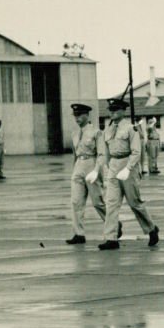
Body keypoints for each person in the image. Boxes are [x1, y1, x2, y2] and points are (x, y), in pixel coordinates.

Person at [97, 97, 160, 250]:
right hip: (114, 166)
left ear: (123, 111)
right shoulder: (108, 130)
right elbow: (106, 151)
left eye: (116, 110)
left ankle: (151, 228)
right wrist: (108, 167)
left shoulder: (131, 129)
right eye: (111, 110)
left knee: (134, 203)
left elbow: (136, 151)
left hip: (128, 166)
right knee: (111, 204)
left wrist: (128, 168)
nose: (112, 113)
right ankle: (111, 238)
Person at [66, 102, 110, 243]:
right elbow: (75, 154)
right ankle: (79, 234)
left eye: (79, 115)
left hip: (91, 164)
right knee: (76, 202)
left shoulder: (96, 132)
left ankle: (113, 225)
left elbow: (101, 154)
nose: (76, 118)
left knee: (98, 202)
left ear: (87, 115)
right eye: (75, 115)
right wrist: (74, 170)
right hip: (79, 165)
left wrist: (97, 170)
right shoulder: (74, 133)